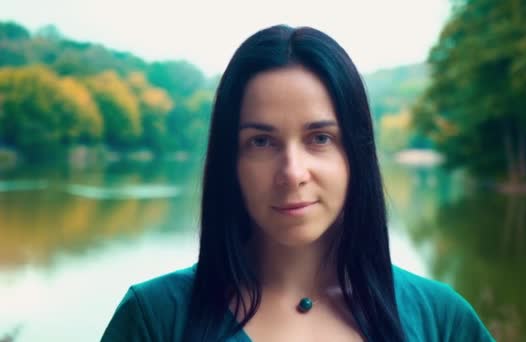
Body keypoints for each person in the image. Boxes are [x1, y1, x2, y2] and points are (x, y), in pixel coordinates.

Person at [101, 25, 495, 342]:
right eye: (261, 141)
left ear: (355, 154)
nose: (292, 171)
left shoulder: (440, 319)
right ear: (229, 161)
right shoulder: (154, 318)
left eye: (319, 138)